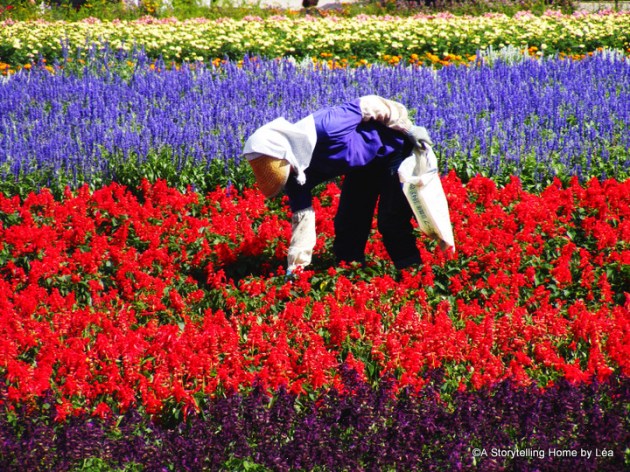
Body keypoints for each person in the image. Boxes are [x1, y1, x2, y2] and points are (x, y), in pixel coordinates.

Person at [242, 95, 433, 273]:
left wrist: (408, 129)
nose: (287, 172)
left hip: (394, 151)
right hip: (362, 164)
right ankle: (351, 274)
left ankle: (413, 276)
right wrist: (296, 268)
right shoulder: (296, 176)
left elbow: (371, 104)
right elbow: (303, 221)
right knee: (349, 222)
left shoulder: (326, 126)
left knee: (391, 221)